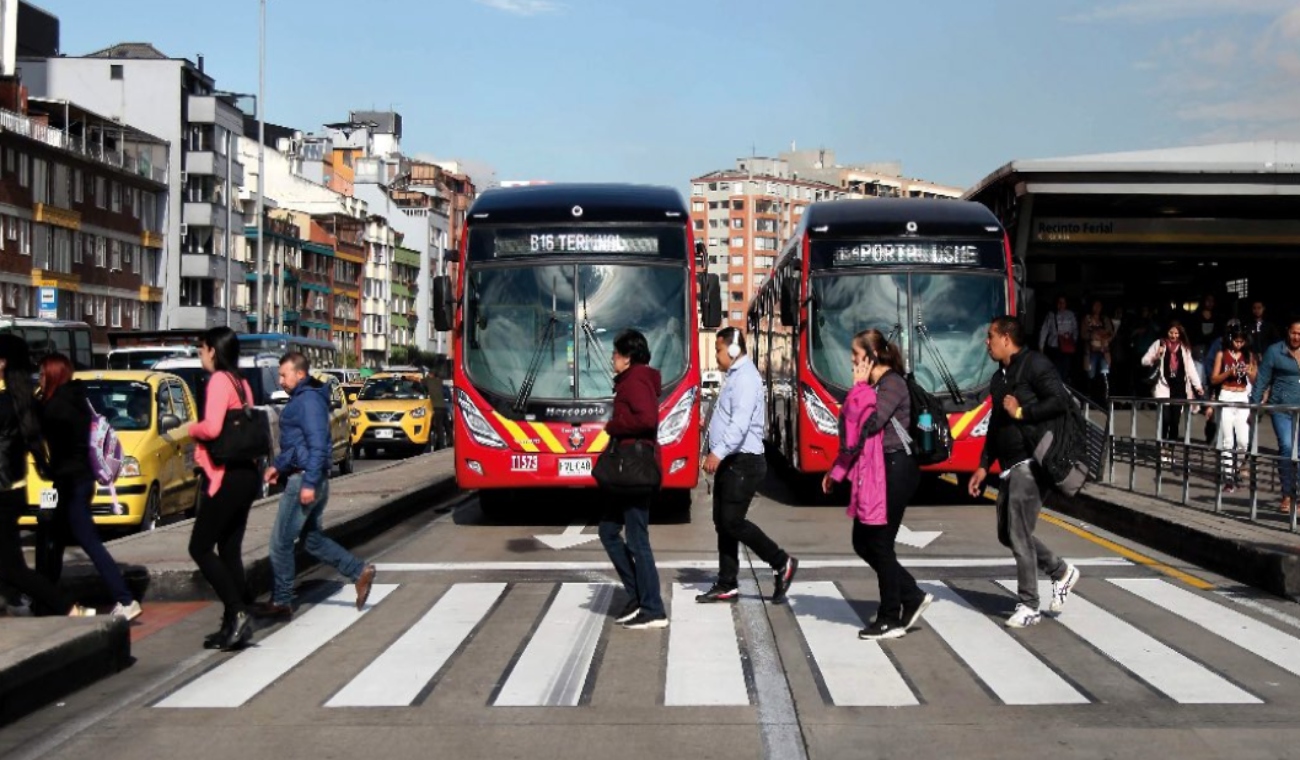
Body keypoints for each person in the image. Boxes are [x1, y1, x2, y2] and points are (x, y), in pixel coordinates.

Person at [968, 316, 1081, 628]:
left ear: (1006, 338)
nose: (986, 342)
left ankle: (1029, 604)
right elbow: (996, 423)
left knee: (1018, 533)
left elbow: (1059, 401)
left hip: (1031, 461)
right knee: (1007, 534)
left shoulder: (1035, 365)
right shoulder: (999, 377)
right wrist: (982, 465)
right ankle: (1060, 572)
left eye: (990, 336)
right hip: (1006, 465)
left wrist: (1022, 412)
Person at [822, 329, 931, 640]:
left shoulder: (892, 384)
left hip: (897, 469)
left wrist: (858, 388)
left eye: (856, 357)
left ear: (870, 357)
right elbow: (850, 429)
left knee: (879, 543)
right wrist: (837, 471)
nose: (852, 362)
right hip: (878, 470)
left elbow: (870, 424)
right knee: (863, 541)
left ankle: (890, 617)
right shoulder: (876, 385)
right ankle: (911, 596)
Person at [256, 352, 377, 620]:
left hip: (305, 480)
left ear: (300, 374)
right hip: (307, 477)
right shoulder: (304, 398)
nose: (280, 380)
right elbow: (300, 445)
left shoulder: (307, 400)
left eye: (283, 374)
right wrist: (279, 466)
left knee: (280, 543)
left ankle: (282, 600)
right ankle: (358, 571)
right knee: (311, 540)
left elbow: (319, 445)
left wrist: (309, 482)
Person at [34, 353, 141, 621]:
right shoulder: (78, 399)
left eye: (42, 373)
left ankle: (125, 599)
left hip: (72, 484)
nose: (39, 377)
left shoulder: (56, 407)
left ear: (54, 375)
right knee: (53, 540)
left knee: (90, 543)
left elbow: (40, 430)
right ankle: (44, 600)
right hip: (79, 480)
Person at [697, 327, 798, 605]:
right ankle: (727, 582)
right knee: (722, 522)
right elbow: (727, 416)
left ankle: (781, 562)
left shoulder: (745, 379)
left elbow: (740, 425)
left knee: (732, 521)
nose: (716, 356)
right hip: (733, 461)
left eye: (718, 350)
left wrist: (716, 452)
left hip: (745, 462)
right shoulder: (734, 377)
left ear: (731, 350)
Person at [0, 338, 92, 617]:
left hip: (1, 491)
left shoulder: (4, 402)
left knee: (11, 566)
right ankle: (19, 602)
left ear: (2, 363)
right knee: (9, 560)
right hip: (13, 489)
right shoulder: (22, 398)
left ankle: (65, 606)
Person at [188, 327, 261, 651]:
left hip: (226, 476)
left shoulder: (219, 381)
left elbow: (213, 427)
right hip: (247, 474)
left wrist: (189, 428)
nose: (200, 355)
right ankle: (233, 624)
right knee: (229, 549)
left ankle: (238, 611)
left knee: (200, 547)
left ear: (213, 351)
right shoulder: (242, 383)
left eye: (201, 349)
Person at [597, 330, 667, 630]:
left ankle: (653, 608)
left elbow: (647, 419)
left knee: (637, 539)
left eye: (615, 353)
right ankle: (639, 595)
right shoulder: (633, 379)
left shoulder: (636, 379)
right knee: (608, 531)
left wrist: (614, 425)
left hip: (633, 470)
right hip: (626, 471)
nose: (612, 358)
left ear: (628, 356)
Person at [1250, 319, 1300, 514]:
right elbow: (1262, 379)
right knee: (1287, 447)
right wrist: (1254, 406)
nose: (1297, 337)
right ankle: (1287, 494)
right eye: (1294, 332)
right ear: (1288, 332)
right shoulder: (1275, 351)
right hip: (1281, 408)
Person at [1141, 322, 1203, 455]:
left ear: (1180, 334)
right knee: (1165, 419)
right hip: (1163, 387)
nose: (1173, 336)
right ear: (1166, 332)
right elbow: (1144, 361)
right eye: (1171, 333)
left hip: (1180, 388)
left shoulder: (1184, 348)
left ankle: (1170, 449)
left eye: (1176, 333)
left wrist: (1198, 386)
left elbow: (1191, 369)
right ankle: (1162, 446)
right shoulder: (1160, 343)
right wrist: (1156, 356)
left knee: (1175, 422)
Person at [1211, 326, 1256, 493]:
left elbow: (1254, 378)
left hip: (1243, 397)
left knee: (1243, 442)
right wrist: (1229, 371)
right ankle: (1228, 477)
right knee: (1227, 440)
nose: (1239, 344)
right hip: (1226, 396)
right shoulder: (1221, 354)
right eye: (1236, 341)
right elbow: (1214, 379)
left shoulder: (1248, 355)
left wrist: (1248, 371)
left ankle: (1236, 469)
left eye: (1241, 341)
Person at [1080, 299, 1115, 401]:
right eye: (1095, 305)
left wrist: (1103, 337)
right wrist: (1092, 335)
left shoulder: (1105, 319)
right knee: (1090, 375)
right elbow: (1083, 334)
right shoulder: (1087, 319)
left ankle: (1104, 399)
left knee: (1105, 374)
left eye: (1099, 305)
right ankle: (1090, 399)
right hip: (1091, 352)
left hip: (1104, 351)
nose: (1097, 308)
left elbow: (1111, 334)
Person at [1038, 296, 1078, 384]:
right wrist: (1041, 346)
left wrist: (1073, 340)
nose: (1061, 305)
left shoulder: (1070, 314)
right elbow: (1044, 330)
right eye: (1059, 302)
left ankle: (1064, 389)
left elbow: (1075, 329)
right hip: (1054, 346)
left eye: (1063, 302)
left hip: (1067, 346)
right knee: (1056, 369)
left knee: (1066, 369)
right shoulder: (1051, 314)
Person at [425, 361, 451, 451]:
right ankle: (451, 442)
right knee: (446, 426)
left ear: (431, 375)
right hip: (444, 407)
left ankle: (441, 446)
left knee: (438, 426)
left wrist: (405, 377)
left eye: (429, 374)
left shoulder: (429, 381)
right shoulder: (439, 382)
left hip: (437, 408)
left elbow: (418, 380)